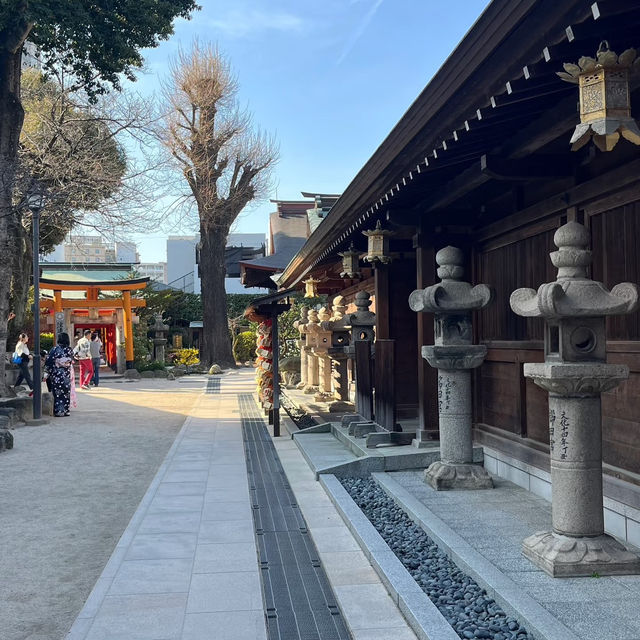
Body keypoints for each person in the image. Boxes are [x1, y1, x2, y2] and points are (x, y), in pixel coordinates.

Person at [45, 332, 74, 417]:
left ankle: (58, 410)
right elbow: (71, 361)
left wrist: (48, 371)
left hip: (57, 374)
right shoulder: (69, 350)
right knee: (66, 392)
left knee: (57, 392)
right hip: (66, 374)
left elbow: (49, 361)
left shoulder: (54, 349)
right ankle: (66, 410)